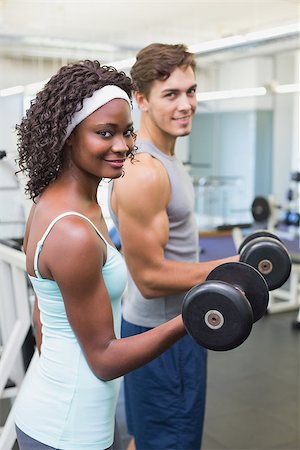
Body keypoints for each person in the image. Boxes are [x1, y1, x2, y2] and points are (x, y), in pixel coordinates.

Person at [13, 59, 194, 450]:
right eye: (104, 133)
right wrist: (192, 318)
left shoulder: (59, 204)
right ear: (67, 136)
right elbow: (104, 358)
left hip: (68, 414)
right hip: (67, 430)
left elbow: (44, 316)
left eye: (127, 132)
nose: (122, 145)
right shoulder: (73, 232)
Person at [108, 43, 239, 450]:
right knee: (171, 441)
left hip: (176, 325)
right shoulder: (145, 172)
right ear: (141, 99)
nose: (186, 104)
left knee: (149, 437)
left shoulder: (166, 158)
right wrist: (233, 267)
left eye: (191, 91)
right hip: (162, 332)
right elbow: (148, 278)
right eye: (171, 94)